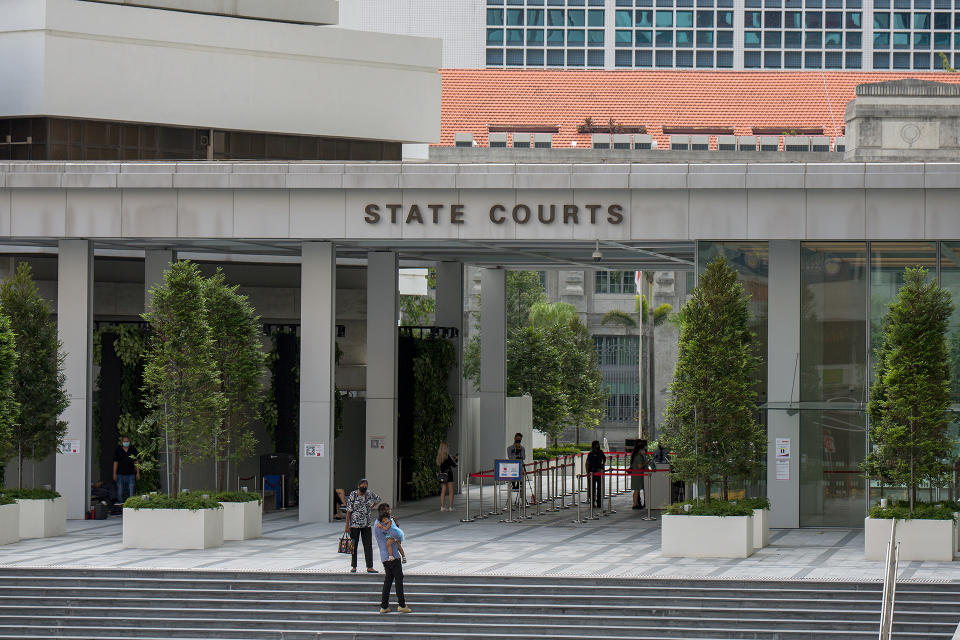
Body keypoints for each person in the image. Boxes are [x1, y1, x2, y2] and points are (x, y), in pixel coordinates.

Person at [375, 503, 411, 614]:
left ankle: (384, 606)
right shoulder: (383, 523)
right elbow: (396, 534)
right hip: (392, 556)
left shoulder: (377, 523)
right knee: (399, 579)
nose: (390, 512)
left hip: (384, 557)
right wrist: (394, 524)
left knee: (389, 580)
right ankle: (401, 604)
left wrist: (395, 524)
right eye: (388, 510)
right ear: (383, 511)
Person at [344, 479, 381, 574]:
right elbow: (348, 511)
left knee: (368, 545)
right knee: (354, 546)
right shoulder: (353, 494)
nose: (364, 488)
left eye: (366, 486)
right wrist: (347, 525)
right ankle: (354, 566)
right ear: (358, 486)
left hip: (366, 524)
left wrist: (371, 506)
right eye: (362, 486)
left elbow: (378, 499)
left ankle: (370, 566)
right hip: (354, 524)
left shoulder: (369, 494)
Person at [112, 436, 139, 505]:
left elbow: (136, 461)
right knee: (120, 491)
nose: (126, 443)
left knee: (131, 491)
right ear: (122, 442)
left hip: (131, 474)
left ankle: (131, 505)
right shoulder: (118, 450)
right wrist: (114, 474)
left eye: (127, 441)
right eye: (124, 441)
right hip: (120, 474)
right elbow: (115, 462)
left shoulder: (133, 449)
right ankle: (120, 507)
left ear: (129, 442)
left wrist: (138, 472)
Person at [436, 442, 458, 512]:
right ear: (446, 449)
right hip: (449, 474)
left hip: (442, 475)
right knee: (451, 491)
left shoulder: (439, 457)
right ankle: (451, 507)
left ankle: (442, 507)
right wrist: (456, 459)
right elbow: (455, 465)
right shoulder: (448, 456)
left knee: (443, 491)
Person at [629, 440, 650, 510]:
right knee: (636, 490)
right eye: (643, 449)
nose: (644, 451)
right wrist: (646, 463)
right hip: (637, 475)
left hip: (637, 474)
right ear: (640, 450)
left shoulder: (636, 455)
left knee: (637, 490)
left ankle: (636, 503)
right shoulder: (638, 456)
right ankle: (635, 504)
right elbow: (640, 466)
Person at [586, 440, 606, 509]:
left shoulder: (600, 452)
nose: (598, 446)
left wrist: (602, 466)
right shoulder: (590, 453)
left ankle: (599, 503)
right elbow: (587, 463)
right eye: (597, 444)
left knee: (599, 488)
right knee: (592, 488)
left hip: (598, 471)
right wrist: (588, 473)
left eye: (598, 444)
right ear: (593, 445)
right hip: (592, 472)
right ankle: (592, 502)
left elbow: (604, 458)